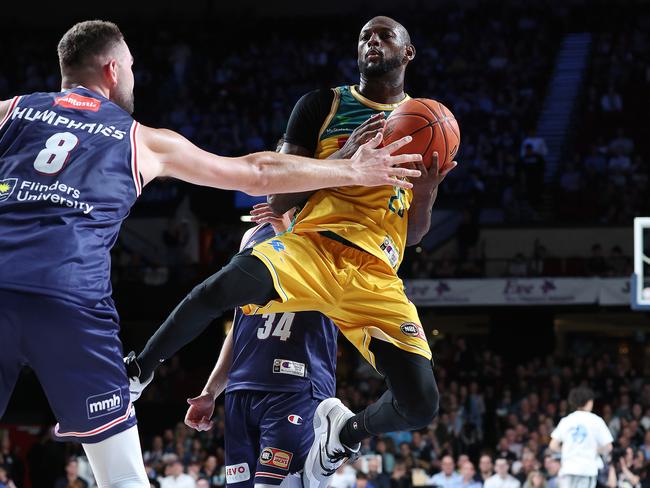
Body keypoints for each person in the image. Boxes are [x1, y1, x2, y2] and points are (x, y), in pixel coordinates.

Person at [0, 20, 420, 488]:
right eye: (134, 69)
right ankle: (140, 369)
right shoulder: (142, 138)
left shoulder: (12, 110)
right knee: (121, 477)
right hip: (70, 303)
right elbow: (257, 173)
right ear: (114, 70)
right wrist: (348, 167)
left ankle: (147, 368)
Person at [128, 15, 456, 488]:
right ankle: (140, 370)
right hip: (312, 249)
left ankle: (345, 432)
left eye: (385, 35)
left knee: (420, 404)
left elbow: (415, 233)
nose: (372, 41)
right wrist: (345, 160)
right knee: (217, 290)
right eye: (365, 35)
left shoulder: (425, 122)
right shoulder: (323, 106)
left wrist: (428, 189)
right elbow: (277, 200)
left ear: (408, 52)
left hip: (377, 273)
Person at [184, 205, 338, 487]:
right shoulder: (252, 235)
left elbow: (325, 288)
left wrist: (285, 232)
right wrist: (211, 390)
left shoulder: (332, 224)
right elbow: (239, 323)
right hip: (242, 390)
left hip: (297, 385)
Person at [549, 387, 613, 488]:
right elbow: (608, 447)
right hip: (587, 470)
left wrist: (567, 450)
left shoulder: (566, 421)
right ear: (589, 402)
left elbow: (553, 445)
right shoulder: (596, 420)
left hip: (568, 469)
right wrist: (595, 450)